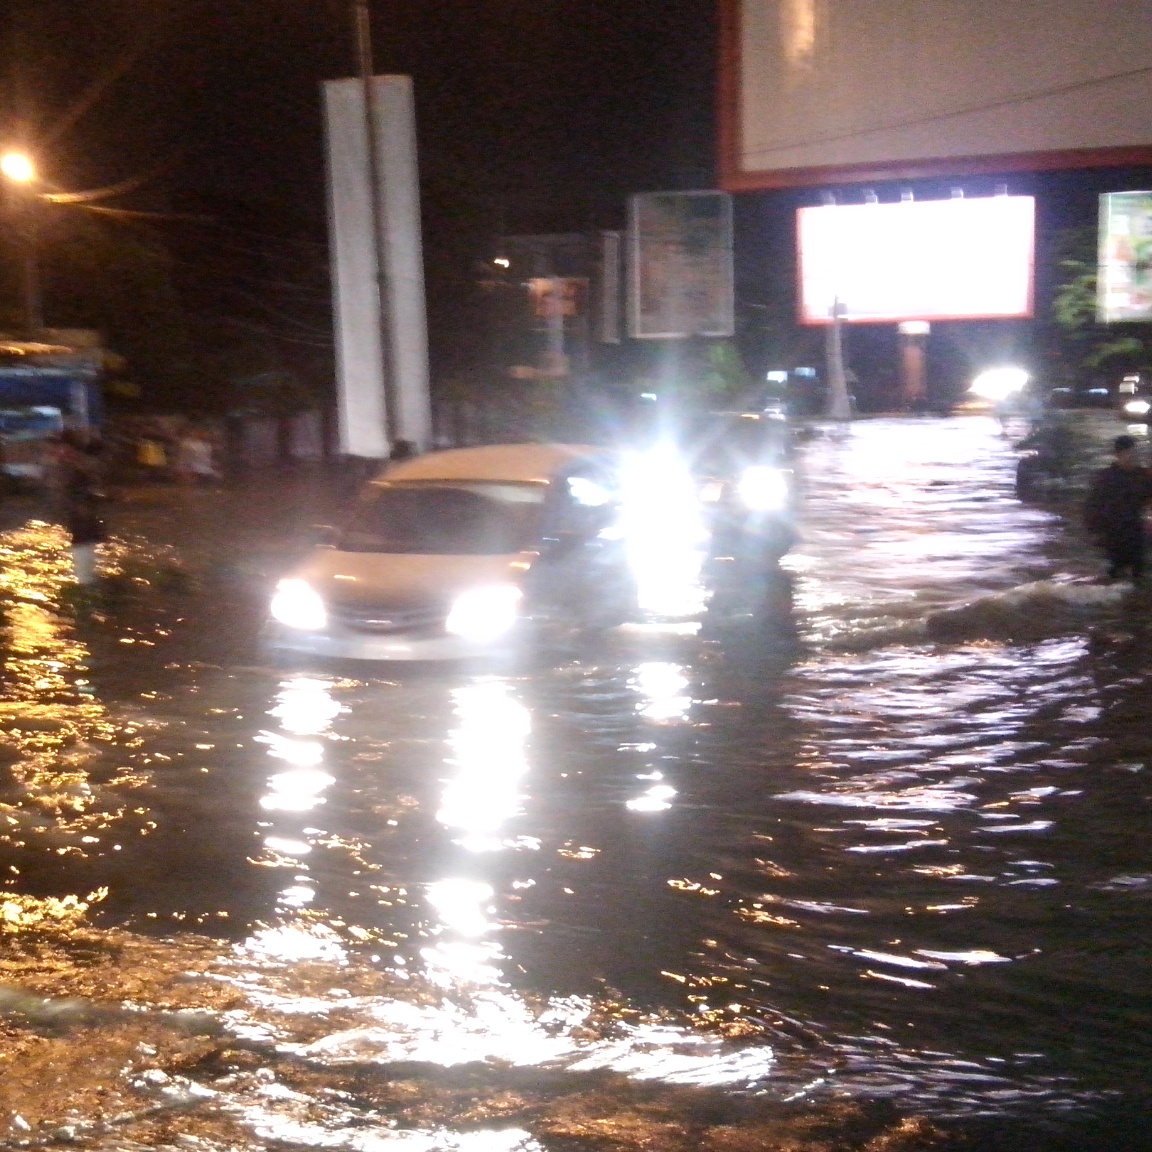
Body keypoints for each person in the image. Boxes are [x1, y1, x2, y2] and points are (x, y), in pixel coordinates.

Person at [1084, 434, 1152, 581]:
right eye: (1131, 453)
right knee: (1114, 574)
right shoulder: (1105, 478)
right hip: (1114, 534)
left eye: (1136, 453)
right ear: (1119, 454)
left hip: (1136, 532)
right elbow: (1093, 506)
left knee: (1138, 574)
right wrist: (1095, 531)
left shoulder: (1144, 476)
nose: (1134, 457)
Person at [57, 430, 106, 585]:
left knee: (84, 550)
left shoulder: (79, 469)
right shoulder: (77, 467)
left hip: (82, 521)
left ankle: (86, 584)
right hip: (81, 521)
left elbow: (83, 493)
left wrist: (81, 507)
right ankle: (87, 581)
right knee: (84, 550)